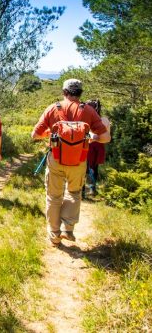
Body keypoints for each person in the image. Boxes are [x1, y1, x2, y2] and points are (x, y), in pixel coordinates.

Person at [31, 79, 111, 246]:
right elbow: (105, 138)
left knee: (53, 197)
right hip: (79, 161)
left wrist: (52, 133)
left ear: (64, 92)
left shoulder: (53, 108)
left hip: (56, 159)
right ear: (80, 93)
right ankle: (68, 229)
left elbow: (35, 135)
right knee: (74, 193)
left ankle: (54, 235)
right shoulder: (88, 111)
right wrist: (90, 137)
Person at [84, 99, 111, 196]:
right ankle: (91, 189)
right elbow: (107, 136)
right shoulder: (104, 119)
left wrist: (90, 136)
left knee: (87, 168)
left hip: (89, 145)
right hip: (96, 145)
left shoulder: (89, 119)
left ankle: (85, 190)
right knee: (92, 168)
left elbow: (83, 134)